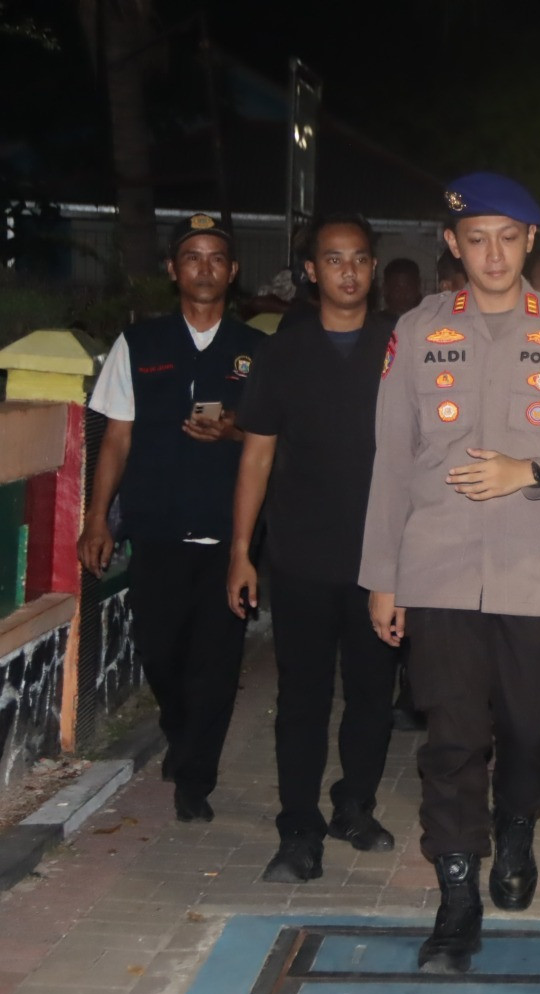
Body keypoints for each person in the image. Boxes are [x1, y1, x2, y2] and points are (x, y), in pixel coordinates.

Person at [360, 172, 540, 973]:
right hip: (437, 567)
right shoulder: (417, 330)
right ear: (453, 244)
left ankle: (517, 822)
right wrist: (382, 575)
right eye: (477, 239)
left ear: (531, 241)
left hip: (534, 571)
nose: (495, 254)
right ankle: (456, 895)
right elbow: (392, 460)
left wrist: (529, 471)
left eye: (509, 238)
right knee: (452, 737)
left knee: (533, 727)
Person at [228, 213, 401, 883]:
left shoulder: (400, 347)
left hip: (381, 559)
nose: (348, 271)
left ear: (372, 268)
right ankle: (298, 828)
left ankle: (354, 805)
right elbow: (256, 457)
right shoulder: (285, 351)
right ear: (310, 271)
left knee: (372, 694)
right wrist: (240, 550)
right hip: (300, 556)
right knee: (302, 697)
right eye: (333, 259)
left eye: (358, 258)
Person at [77, 214, 264, 823]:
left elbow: (275, 440)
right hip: (155, 530)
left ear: (232, 272)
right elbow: (116, 439)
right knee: (160, 654)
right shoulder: (140, 344)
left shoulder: (258, 350)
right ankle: (181, 734)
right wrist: (97, 519)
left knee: (216, 665)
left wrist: (233, 432)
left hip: (228, 537)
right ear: (172, 269)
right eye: (192, 257)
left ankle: (195, 779)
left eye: (216, 258)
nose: (205, 268)